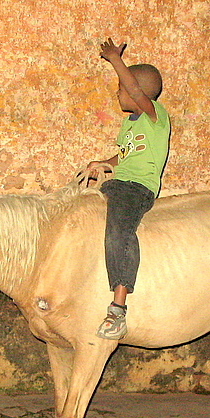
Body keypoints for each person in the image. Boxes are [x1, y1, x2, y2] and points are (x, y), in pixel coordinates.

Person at [85, 38, 171, 340]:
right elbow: (124, 157)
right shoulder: (128, 125)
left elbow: (134, 89)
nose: (118, 93)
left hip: (137, 188)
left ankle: (118, 310)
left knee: (120, 230)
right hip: (120, 181)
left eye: (122, 88)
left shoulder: (155, 116)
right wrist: (102, 164)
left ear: (139, 93)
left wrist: (114, 60)